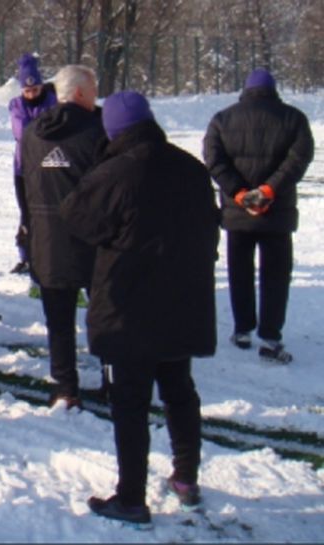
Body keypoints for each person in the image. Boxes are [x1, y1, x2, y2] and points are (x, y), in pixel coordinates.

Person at [60, 91, 219, 527]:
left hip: (129, 305)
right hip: (183, 300)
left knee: (130, 401)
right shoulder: (190, 167)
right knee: (179, 389)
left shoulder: (115, 172)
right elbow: (211, 228)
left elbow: (76, 219)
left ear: (112, 130)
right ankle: (186, 477)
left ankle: (131, 497)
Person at [203, 68, 314, 363]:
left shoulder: (223, 119)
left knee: (240, 272)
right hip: (276, 213)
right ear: (273, 90)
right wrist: (269, 190)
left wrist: (239, 193)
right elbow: (299, 158)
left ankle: (242, 329)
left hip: (238, 213)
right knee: (275, 275)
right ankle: (271, 332)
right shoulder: (294, 119)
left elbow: (214, 160)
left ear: (246, 90)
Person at [18, 64, 102, 408]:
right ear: (80, 93)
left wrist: (30, 226)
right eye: (94, 89)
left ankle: (65, 387)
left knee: (59, 322)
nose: (97, 96)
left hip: (47, 237)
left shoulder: (32, 132)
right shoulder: (99, 130)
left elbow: (22, 183)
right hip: (93, 237)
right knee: (105, 314)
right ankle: (113, 379)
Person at [9, 53, 57, 275]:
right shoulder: (17, 105)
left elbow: (56, 128)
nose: (31, 95)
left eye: (35, 90)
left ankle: (47, 254)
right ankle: (26, 255)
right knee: (27, 213)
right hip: (24, 169)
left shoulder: (52, 102)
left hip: (48, 167)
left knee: (48, 213)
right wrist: (42, 128)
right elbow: (23, 132)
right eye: (27, 91)